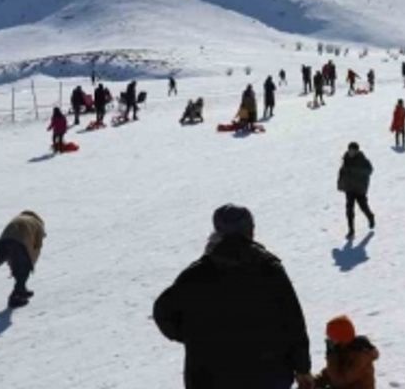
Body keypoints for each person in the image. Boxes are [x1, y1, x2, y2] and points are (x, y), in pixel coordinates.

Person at [153, 204, 313, 389]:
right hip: (268, 376)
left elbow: (163, 312)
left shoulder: (195, 276)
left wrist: (192, 335)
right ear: (250, 231)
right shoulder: (269, 270)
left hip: (208, 378)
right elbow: (293, 323)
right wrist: (302, 369)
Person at [0, 211, 45, 308]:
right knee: (24, 269)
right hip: (19, 243)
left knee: (17, 267)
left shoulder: (20, 219)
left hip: (5, 242)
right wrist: (31, 264)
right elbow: (36, 247)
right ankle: (15, 297)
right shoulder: (38, 225)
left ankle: (22, 289)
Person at [314, 315, 379, 389]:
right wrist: (314, 382)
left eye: (331, 336)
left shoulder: (360, 355)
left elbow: (339, 381)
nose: (329, 340)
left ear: (341, 336)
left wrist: (331, 356)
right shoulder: (343, 349)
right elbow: (329, 373)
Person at [337, 143, 376, 239]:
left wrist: (355, 170)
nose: (351, 152)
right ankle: (351, 230)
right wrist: (340, 184)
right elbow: (342, 172)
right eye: (350, 150)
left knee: (363, 207)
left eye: (353, 150)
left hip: (360, 189)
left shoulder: (363, 160)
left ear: (357, 151)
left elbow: (369, 170)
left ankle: (370, 216)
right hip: (349, 188)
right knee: (349, 209)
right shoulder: (346, 159)